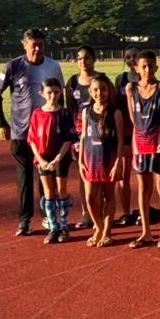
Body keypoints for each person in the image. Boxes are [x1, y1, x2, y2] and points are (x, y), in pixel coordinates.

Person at [0, 28, 64, 236]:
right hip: (21, 131)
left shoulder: (53, 66)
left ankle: (48, 217)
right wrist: (2, 123)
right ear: (24, 45)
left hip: (46, 133)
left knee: (46, 176)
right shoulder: (13, 66)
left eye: (41, 45)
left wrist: (61, 123)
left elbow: (61, 96)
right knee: (24, 178)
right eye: (34, 45)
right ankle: (25, 220)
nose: (38, 49)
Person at [125, 50, 160, 249]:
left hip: (158, 142)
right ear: (136, 68)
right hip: (140, 142)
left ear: (156, 67)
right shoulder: (131, 88)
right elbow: (132, 117)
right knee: (143, 187)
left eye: (151, 66)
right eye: (143, 66)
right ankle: (146, 232)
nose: (147, 69)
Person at [27, 78, 74, 244]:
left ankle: (64, 226)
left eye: (56, 92)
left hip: (61, 158)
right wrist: (40, 159)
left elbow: (68, 139)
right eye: (49, 92)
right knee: (48, 192)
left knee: (61, 190)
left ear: (60, 92)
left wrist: (57, 159)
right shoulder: (37, 114)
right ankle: (53, 227)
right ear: (42, 94)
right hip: (43, 159)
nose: (53, 96)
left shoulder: (65, 113)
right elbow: (32, 139)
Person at [79, 75, 124, 247]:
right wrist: (81, 161)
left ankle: (106, 232)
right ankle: (98, 227)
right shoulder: (86, 112)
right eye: (96, 90)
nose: (100, 93)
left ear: (109, 90)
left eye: (103, 89)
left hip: (108, 160)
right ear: (90, 92)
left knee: (108, 195)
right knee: (90, 198)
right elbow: (83, 137)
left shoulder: (116, 113)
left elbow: (120, 141)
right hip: (91, 159)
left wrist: (118, 162)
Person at [66, 45, 105, 230]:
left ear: (94, 59)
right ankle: (87, 213)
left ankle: (101, 212)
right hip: (81, 135)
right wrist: (73, 136)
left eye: (87, 57)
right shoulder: (72, 82)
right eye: (80, 58)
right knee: (84, 175)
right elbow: (70, 109)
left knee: (101, 174)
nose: (83, 61)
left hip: (100, 133)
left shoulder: (101, 79)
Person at [114, 44, 140, 226]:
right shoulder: (120, 79)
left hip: (143, 132)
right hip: (125, 133)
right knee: (124, 175)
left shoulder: (147, 77)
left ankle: (143, 210)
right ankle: (126, 212)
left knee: (144, 174)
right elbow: (115, 105)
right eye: (128, 57)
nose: (132, 60)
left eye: (135, 56)